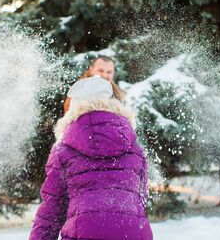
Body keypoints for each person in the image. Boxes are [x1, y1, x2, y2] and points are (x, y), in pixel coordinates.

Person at [30, 76, 152, 240]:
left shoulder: (63, 149)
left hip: (83, 232)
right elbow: (141, 197)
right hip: (133, 233)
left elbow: (52, 209)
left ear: (75, 108)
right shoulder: (134, 146)